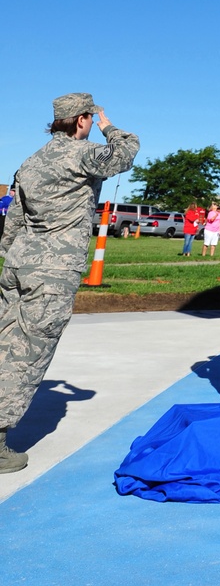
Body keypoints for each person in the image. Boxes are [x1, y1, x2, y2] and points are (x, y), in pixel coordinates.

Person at [0, 93, 138, 473]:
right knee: (27, 353)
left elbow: (12, 223)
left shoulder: (30, 162)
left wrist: (15, 258)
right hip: (52, 272)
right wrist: (110, 126)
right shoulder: (82, 155)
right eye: (90, 118)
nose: (92, 124)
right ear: (80, 120)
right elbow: (127, 151)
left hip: (17, 264)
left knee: (3, 342)